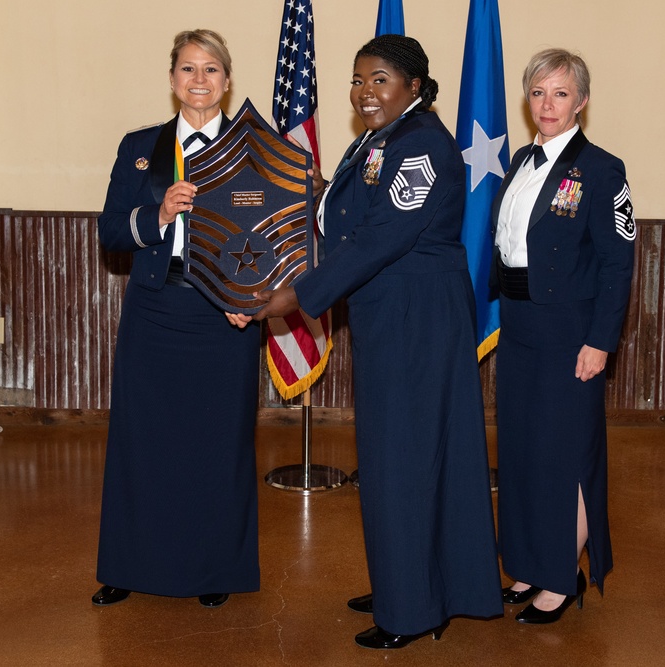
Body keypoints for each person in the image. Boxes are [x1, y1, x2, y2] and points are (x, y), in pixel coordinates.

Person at [253, 34, 502, 649]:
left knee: (405, 458)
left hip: (418, 316)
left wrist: (299, 296)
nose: (366, 92)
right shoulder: (377, 140)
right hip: (391, 313)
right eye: (359, 80)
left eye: (380, 80)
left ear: (414, 86)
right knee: (399, 455)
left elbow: (382, 236)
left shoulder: (420, 146)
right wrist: (309, 190)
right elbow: (352, 218)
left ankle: (414, 608)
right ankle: (408, 580)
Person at [92, 29, 260, 609]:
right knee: (142, 442)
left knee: (220, 444)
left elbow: (277, 238)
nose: (199, 80)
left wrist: (257, 298)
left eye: (211, 69)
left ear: (227, 81)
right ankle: (127, 564)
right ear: (171, 81)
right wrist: (156, 213)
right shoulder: (140, 146)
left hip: (226, 318)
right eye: (188, 69)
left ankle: (215, 569)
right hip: (156, 312)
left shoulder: (255, 150)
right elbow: (111, 231)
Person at [491, 48, 635, 624]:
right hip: (520, 324)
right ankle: (528, 564)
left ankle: (561, 576)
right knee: (523, 452)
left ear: (581, 101)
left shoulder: (602, 169)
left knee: (567, 454)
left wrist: (601, 340)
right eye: (537, 93)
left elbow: (617, 263)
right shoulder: (520, 163)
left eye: (559, 93)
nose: (547, 104)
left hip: (571, 332)